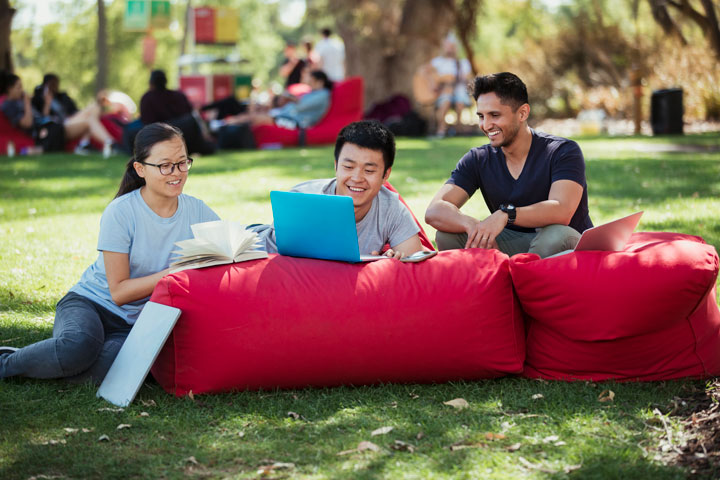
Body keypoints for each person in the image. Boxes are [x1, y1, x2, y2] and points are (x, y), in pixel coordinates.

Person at [0, 123, 220, 384]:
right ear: (140, 169)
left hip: (134, 324)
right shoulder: (121, 212)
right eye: (165, 165)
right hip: (91, 304)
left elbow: (228, 244)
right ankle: (8, 362)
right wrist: (174, 273)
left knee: (109, 370)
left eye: (183, 163)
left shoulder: (197, 210)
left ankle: (45, 364)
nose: (177, 173)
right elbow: (119, 292)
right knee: (78, 347)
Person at [425, 72, 593, 259]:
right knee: (449, 234)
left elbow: (562, 211)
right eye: (481, 116)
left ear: (522, 113)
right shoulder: (478, 158)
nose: (486, 125)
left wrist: (506, 214)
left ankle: (524, 282)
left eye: (494, 115)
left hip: (569, 244)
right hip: (517, 242)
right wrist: (471, 225)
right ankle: (500, 282)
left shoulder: (562, 151)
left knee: (553, 235)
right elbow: (434, 211)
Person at [254, 120, 424, 259]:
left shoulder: (391, 208)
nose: (357, 178)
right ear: (336, 166)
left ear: (386, 174)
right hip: (253, 247)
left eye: (369, 170)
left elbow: (416, 259)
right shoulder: (304, 199)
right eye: (348, 167)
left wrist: (391, 260)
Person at [222, 69, 333, 130]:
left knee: (255, 117)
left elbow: (301, 107)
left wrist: (291, 99)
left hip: (296, 122)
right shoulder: (311, 93)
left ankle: (223, 125)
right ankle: (224, 124)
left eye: (310, 78)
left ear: (319, 81)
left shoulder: (323, 95)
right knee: (253, 113)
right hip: (285, 115)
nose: (307, 80)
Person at [31, 73, 115, 150]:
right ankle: (108, 143)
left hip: (70, 120)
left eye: (56, 83)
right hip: (59, 127)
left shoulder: (62, 97)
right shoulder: (39, 99)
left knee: (94, 110)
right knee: (93, 110)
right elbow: (44, 118)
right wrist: (47, 102)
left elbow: (74, 110)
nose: (55, 86)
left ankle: (90, 144)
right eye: (52, 84)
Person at [430, 37, 472, 137]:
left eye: (452, 46)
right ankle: (441, 129)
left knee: (460, 100)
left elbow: (468, 79)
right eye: (447, 46)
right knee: (446, 100)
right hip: (443, 91)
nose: (449, 49)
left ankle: (458, 128)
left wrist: (464, 79)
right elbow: (424, 73)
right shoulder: (437, 62)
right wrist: (435, 83)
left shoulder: (463, 63)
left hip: (459, 90)